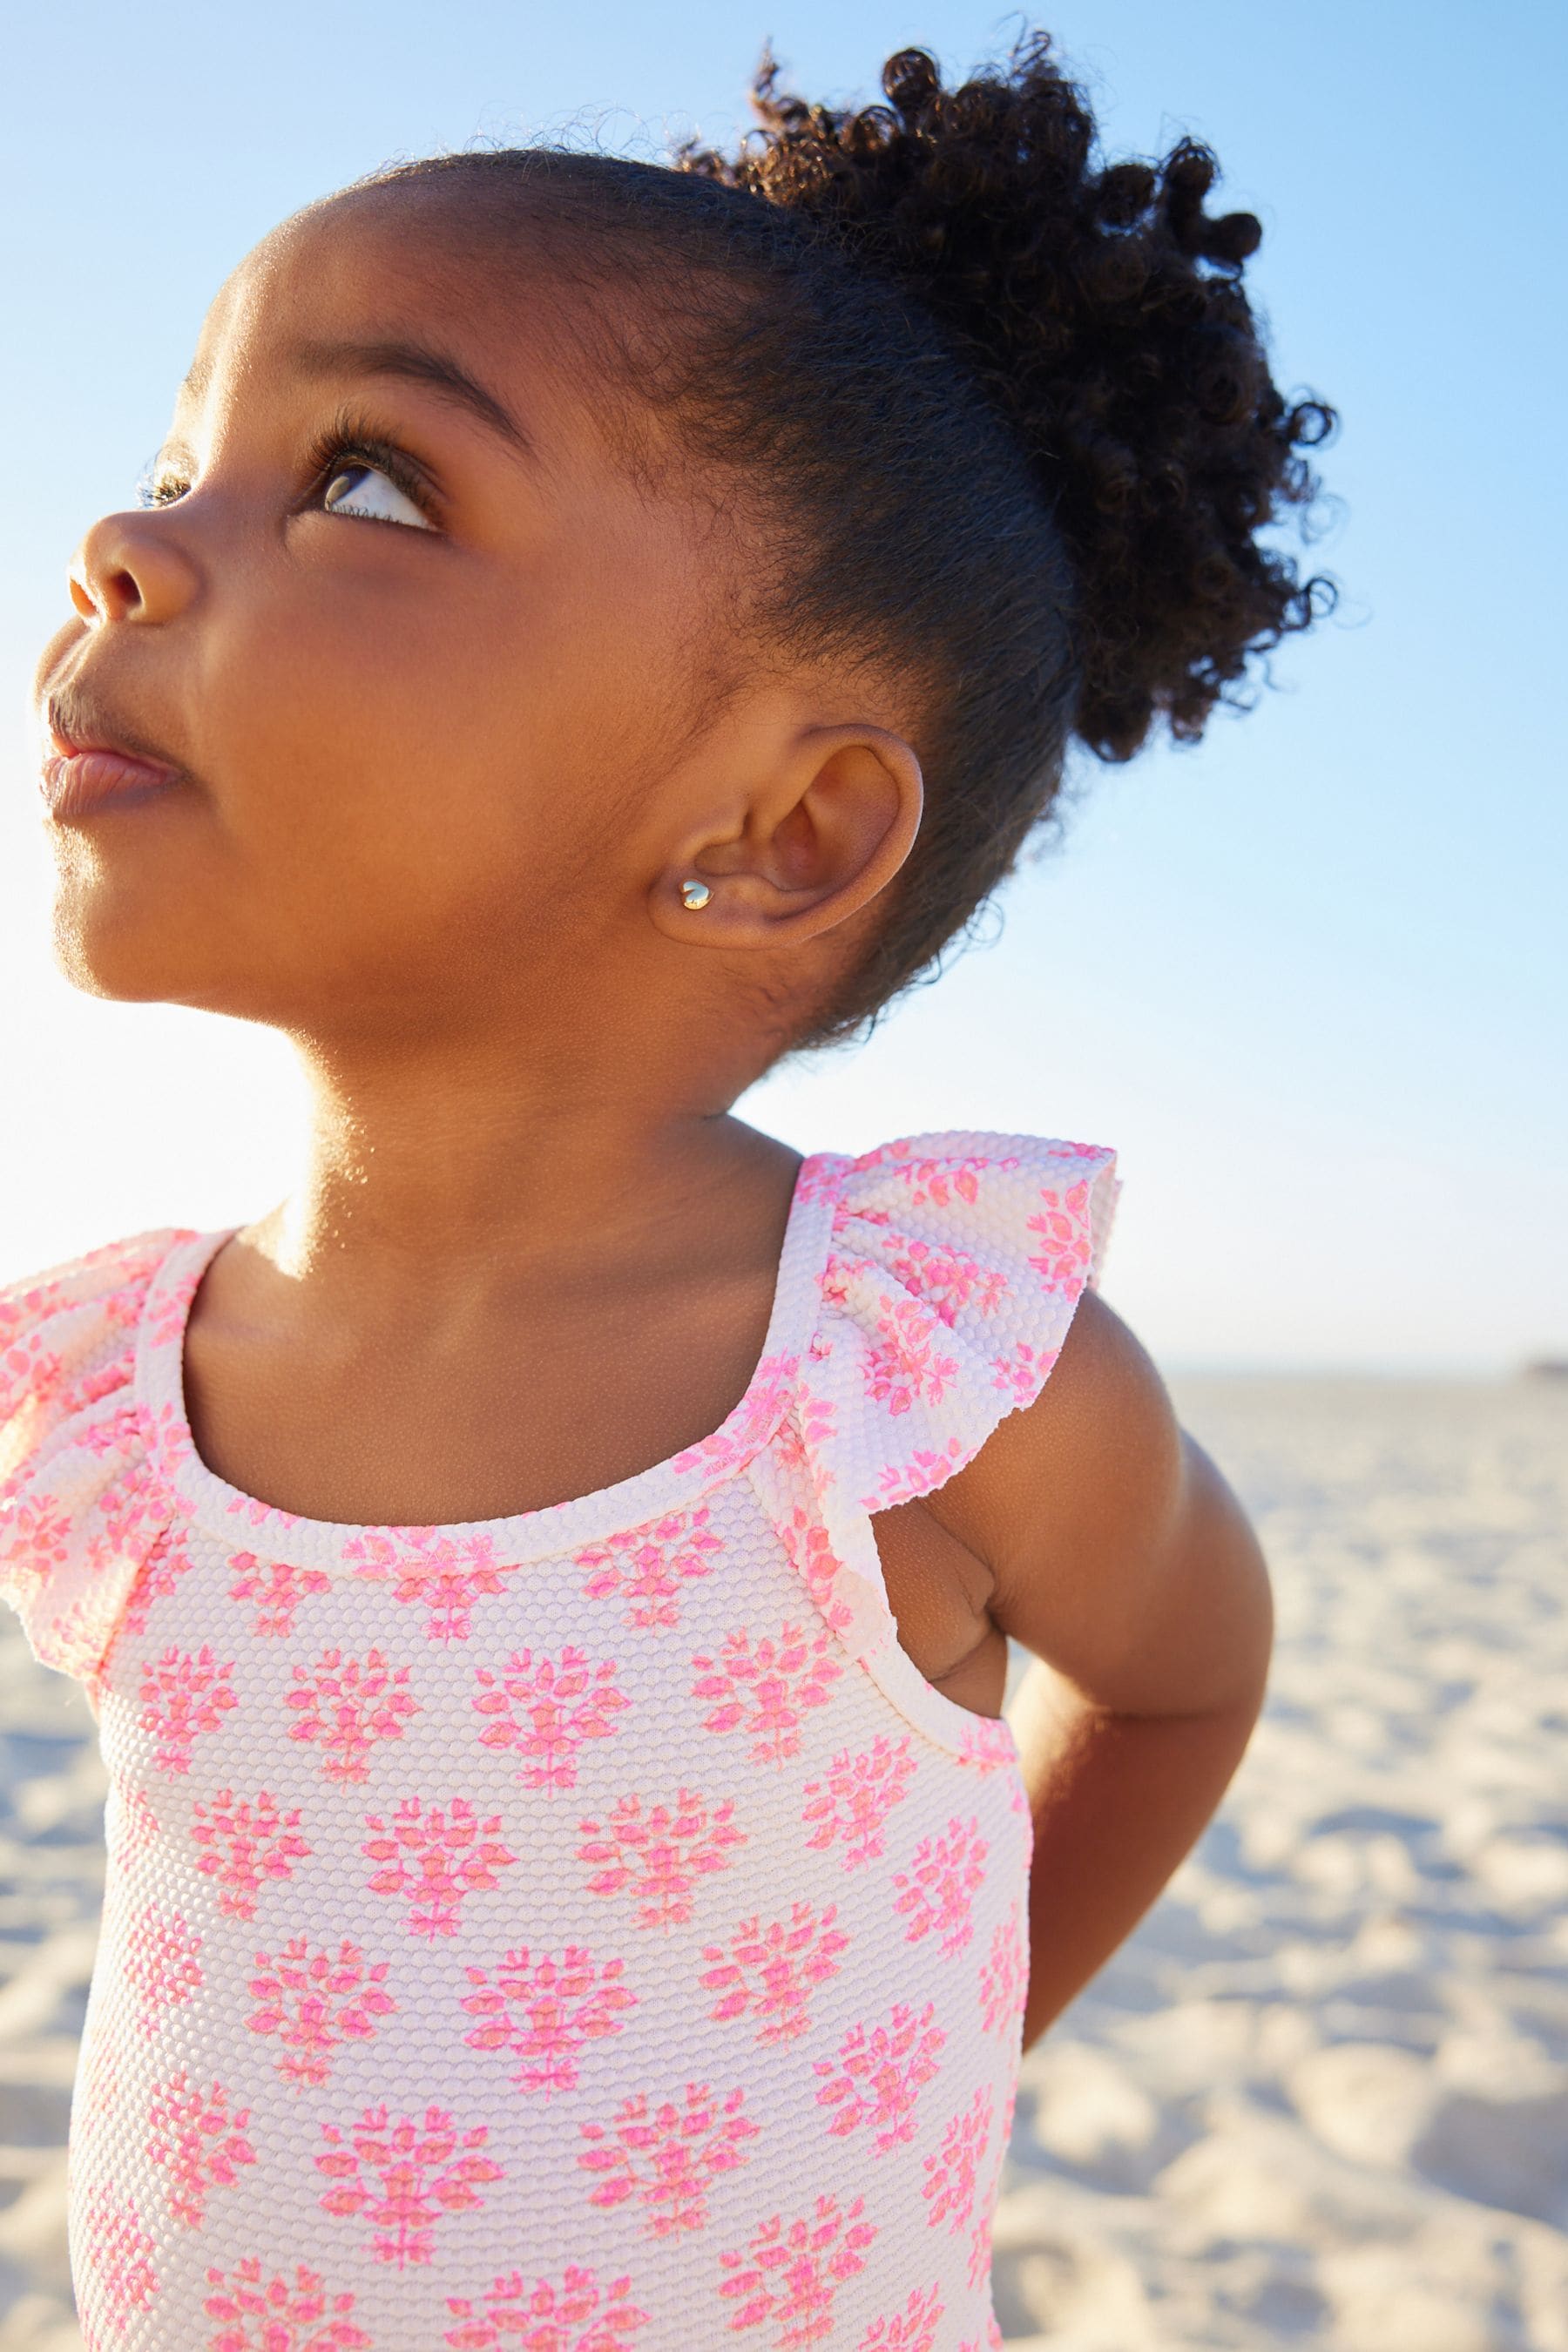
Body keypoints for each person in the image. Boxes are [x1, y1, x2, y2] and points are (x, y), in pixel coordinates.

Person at [4, 29, 1331, 2349]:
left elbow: (1186, 1673)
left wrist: (944, 2040)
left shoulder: (906, 1376)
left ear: (781, 827)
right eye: (169, 464)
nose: (121, 548)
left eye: (370, 483)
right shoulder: (107, 1388)